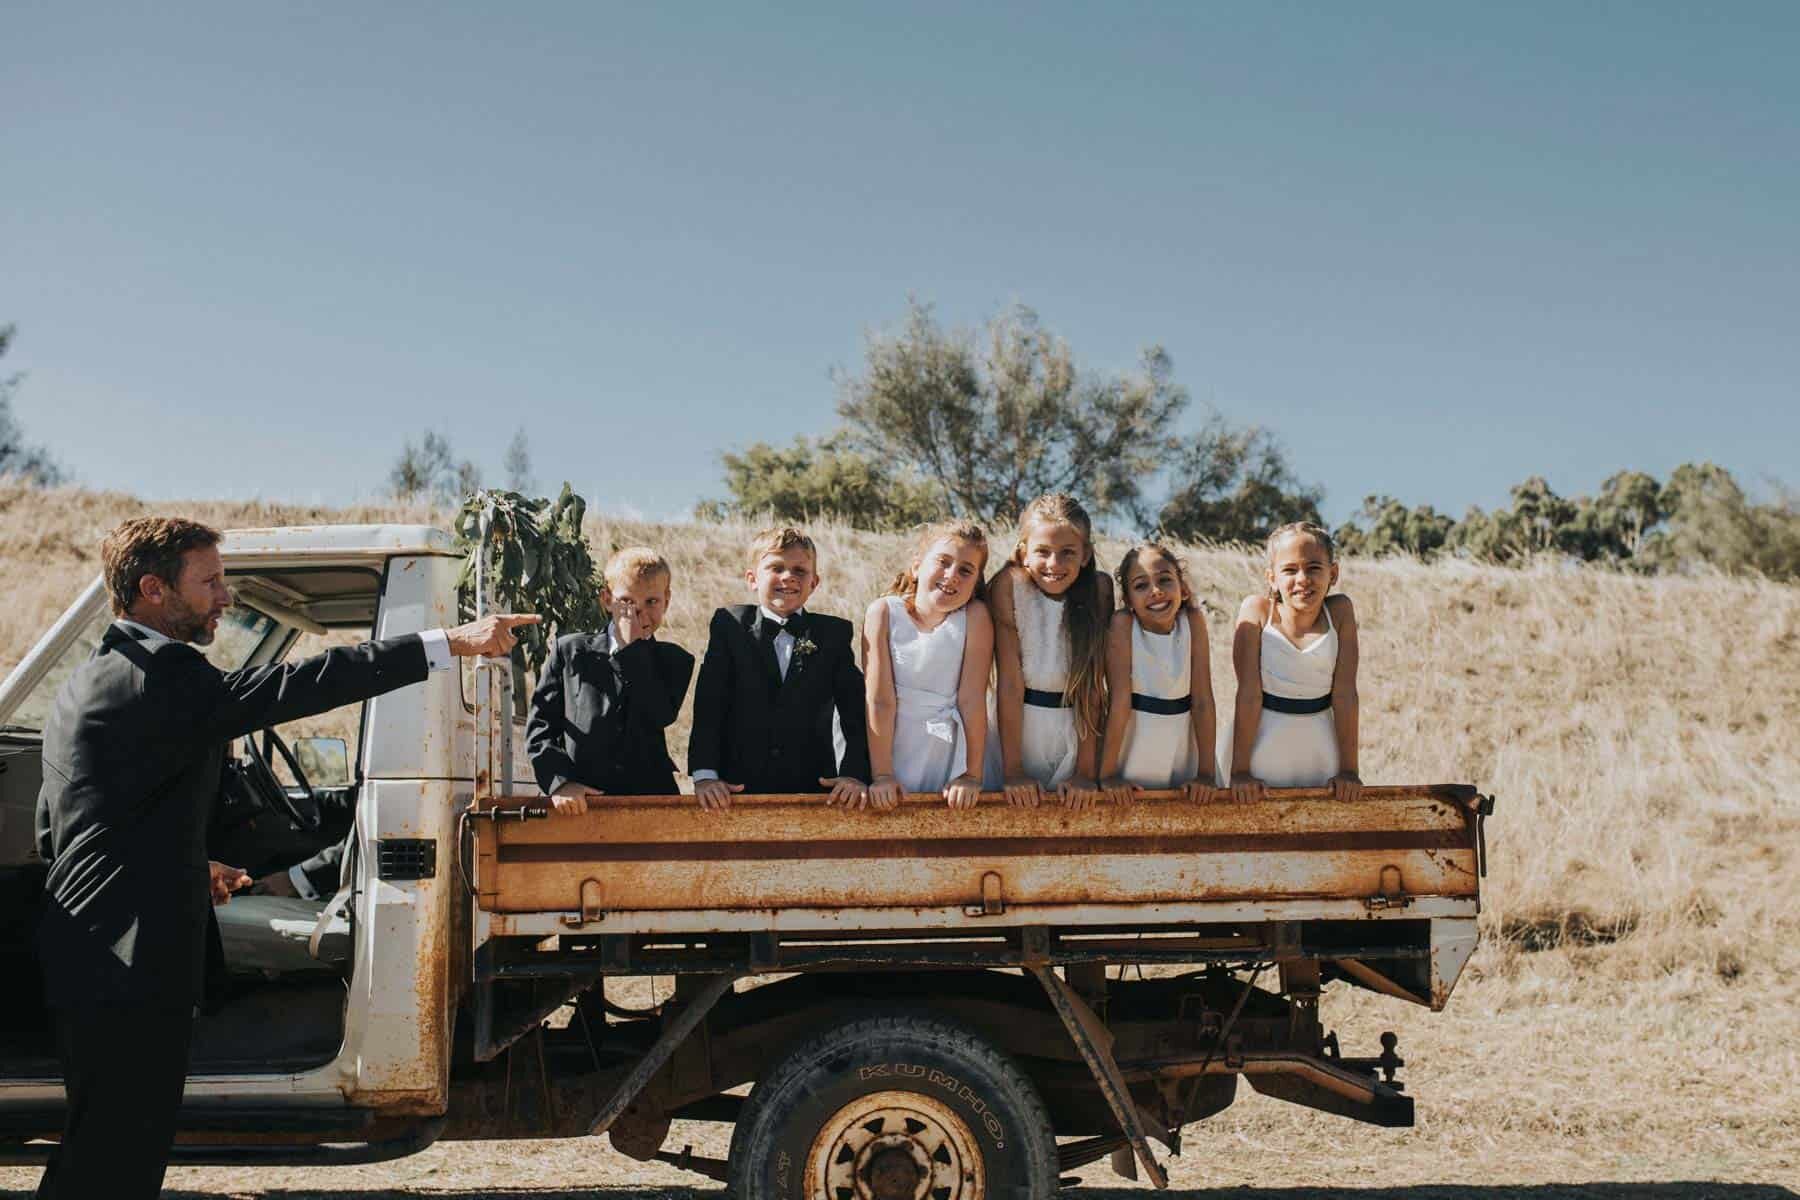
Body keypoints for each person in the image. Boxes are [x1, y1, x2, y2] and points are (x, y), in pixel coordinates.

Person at [33, 516, 535, 1200]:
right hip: (135, 959)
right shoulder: (165, 676)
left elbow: (59, 827)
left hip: (90, 947)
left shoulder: (92, 680)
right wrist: (448, 642)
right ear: (152, 589)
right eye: (208, 583)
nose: (224, 598)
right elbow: (298, 685)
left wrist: (185, 864)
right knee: (120, 1155)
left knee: (98, 1144)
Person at [687, 526, 869, 811]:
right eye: (776, 567)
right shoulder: (729, 625)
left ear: (814, 582)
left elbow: (854, 712)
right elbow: (710, 702)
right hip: (735, 790)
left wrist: (855, 773)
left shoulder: (833, 634)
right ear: (752, 579)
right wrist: (705, 775)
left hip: (813, 790)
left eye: (800, 570)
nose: (788, 577)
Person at [526, 546, 696, 813]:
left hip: (650, 801)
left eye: (651, 602)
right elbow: (541, 726)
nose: (639, 614)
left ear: (667, 600)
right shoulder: (570, 651)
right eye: (627, 602)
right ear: (606, 599)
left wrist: (632, 651)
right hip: (581, 799)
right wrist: (560, 782)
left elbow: (659, 713)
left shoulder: (675, 660)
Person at [1218, 521, 1362, 802]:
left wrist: (1349, 769)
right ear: (1271, 577)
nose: (1302, 579)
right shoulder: (1257, 610)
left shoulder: (1341, 612)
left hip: (1320, 748)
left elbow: (1345, 694)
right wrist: (1240, 772)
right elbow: (1248, 693)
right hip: (1261, 744)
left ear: (1333, 573)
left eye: (1314, 568)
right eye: (1289, 570)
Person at [985, 494, 1111, 809]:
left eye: (1068, 552)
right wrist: (1013, 770)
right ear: (1023, 552)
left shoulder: (1100, 589)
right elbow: (1011, 685)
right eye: (1043, 552)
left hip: (1075, 730)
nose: (1055, 564)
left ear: (1086, 555)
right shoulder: (1008, 586)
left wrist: (1085, 770)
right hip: (1018, 731)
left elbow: (1092, 685)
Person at [862, 522, 994, 811]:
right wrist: (882, 774)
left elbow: (972, 700)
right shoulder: (883, 612)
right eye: (943, 562)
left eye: (965, 570)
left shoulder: (975, 617)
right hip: (890, 745)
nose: (951, 576)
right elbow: (879, 700)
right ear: (917, 567)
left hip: (947, 750)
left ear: (975, 584)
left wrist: (971, 774)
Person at [1099, 542, 1220, 802]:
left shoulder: (1193, 622)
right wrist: (1108, 774)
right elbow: (1119, 701)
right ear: (1128, 600)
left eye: (1165, 580)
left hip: (1182, 748)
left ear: (1183, 588)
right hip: (1135, 746)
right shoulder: (1123, 624)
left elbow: (1202, 701)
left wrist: (1207, 772)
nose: (1155, 591)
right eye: (1141, 586)